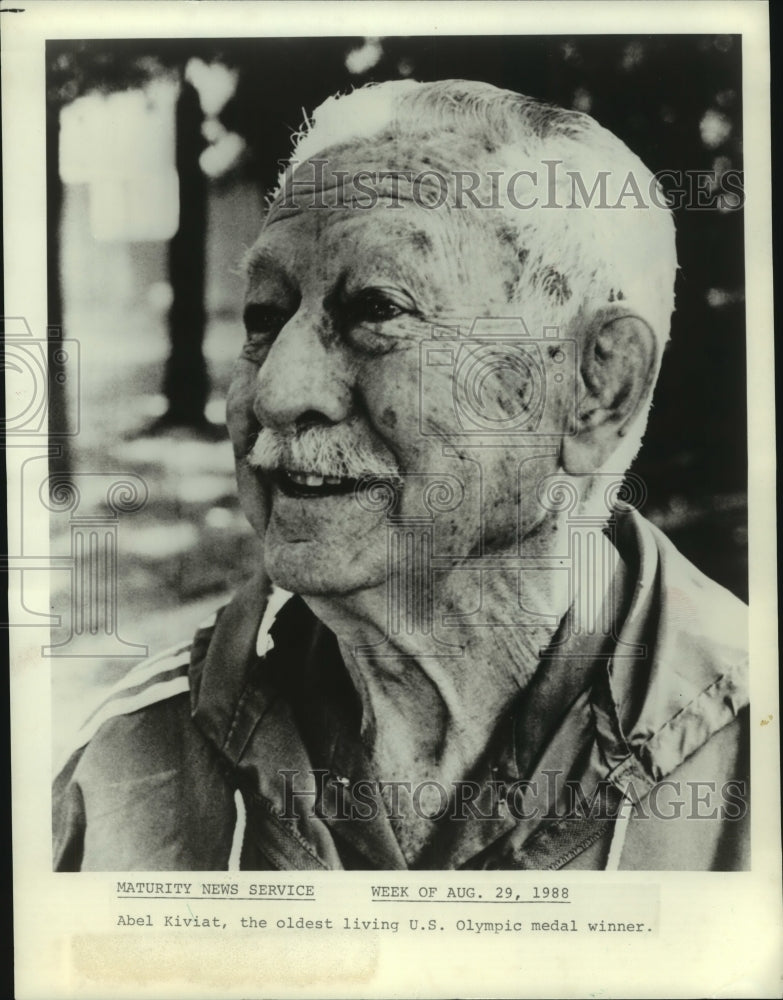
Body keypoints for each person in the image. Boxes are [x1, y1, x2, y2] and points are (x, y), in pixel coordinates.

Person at [53, 79, 748, 871]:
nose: (277, 391)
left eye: (376, 310)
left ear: (597, 389)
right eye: (264, 316)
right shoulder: (121, 768)